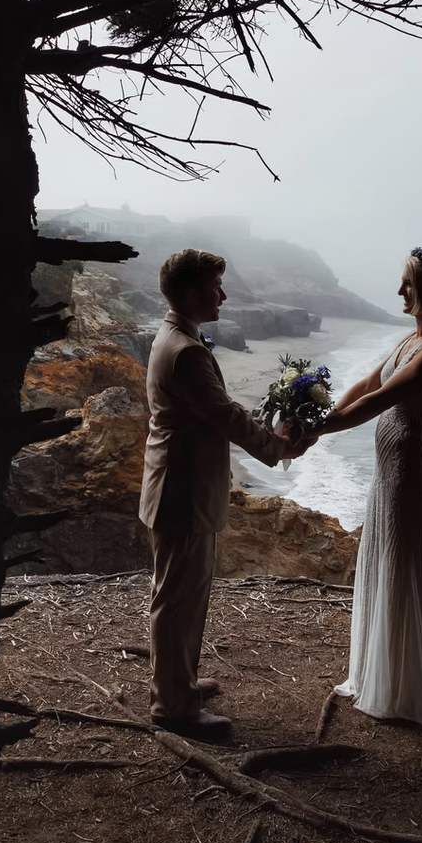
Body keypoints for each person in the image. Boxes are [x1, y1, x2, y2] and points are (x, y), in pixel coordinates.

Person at [139, 249, 308, 742]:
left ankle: (180, 685)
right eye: (216, 287)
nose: (224, 295)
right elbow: (226, 416)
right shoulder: (187, 351)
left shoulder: (176, 336)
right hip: (183, 489)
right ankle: (174, 707)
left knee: (180, 596)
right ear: (193, 292)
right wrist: (278, 446)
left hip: (175, 484)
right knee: (177, 601)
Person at [313, 247, 422, 733]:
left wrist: (318, 431)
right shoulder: (410, 340)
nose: (400, 290)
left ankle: (409, 689)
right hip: (389, 473)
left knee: (406, 568)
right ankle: (383, 675)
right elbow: (366, 384)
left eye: (409, 283)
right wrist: (320, 416)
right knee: (385, 562)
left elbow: (383, 399)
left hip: (415, 473)